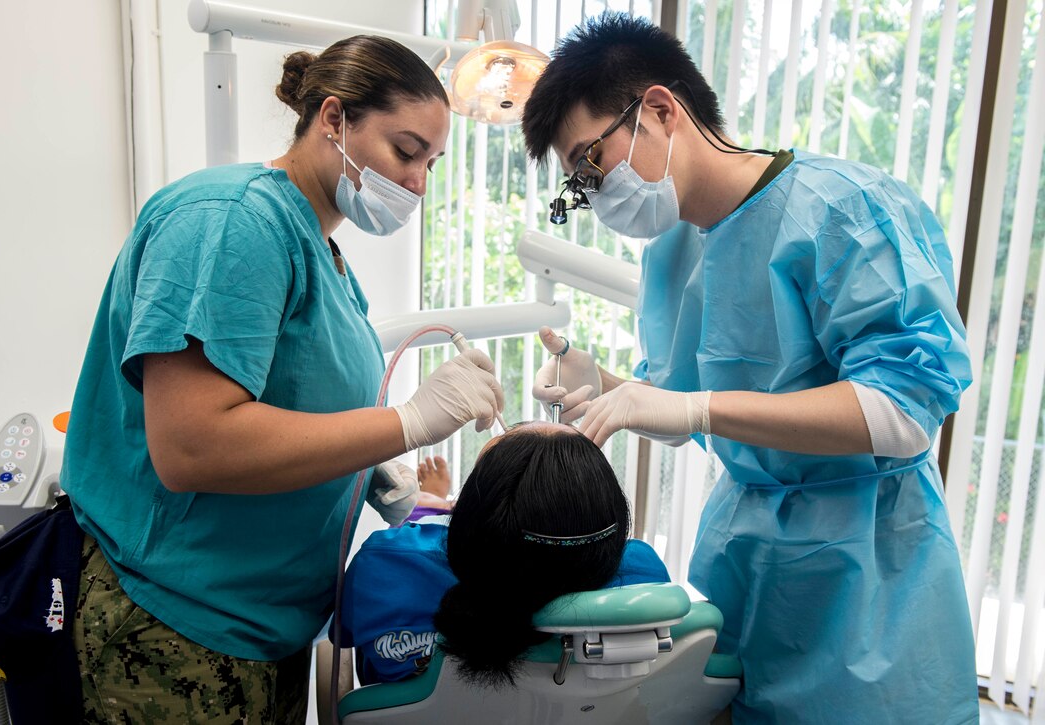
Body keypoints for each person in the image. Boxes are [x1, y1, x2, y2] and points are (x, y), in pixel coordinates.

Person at [520, 13, 978, 725]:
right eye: (578, 183)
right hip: (746, 559)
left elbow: (905, 411)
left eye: (589, 164)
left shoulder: (841, 210)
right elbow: (676, 404)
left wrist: (703, 408)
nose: (593, 193)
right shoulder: (673, 250)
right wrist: (607, 386)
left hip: (868, 583)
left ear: (661, 110)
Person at [60, 37, 504, 723]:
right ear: (334, 118)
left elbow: (298, 404)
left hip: (267, 632)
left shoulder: (320, 252)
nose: (418, 182)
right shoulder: (232, 222)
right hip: (176, 629)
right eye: (406, 151)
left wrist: (390, 483)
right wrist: (407, 422)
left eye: (432, 163)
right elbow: (192, 445)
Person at [338, 424, 670, 686]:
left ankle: (434, 502)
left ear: (469, 514)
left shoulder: (385, 565)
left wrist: (433, 509)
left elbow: (344, 634)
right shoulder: (642, 577)